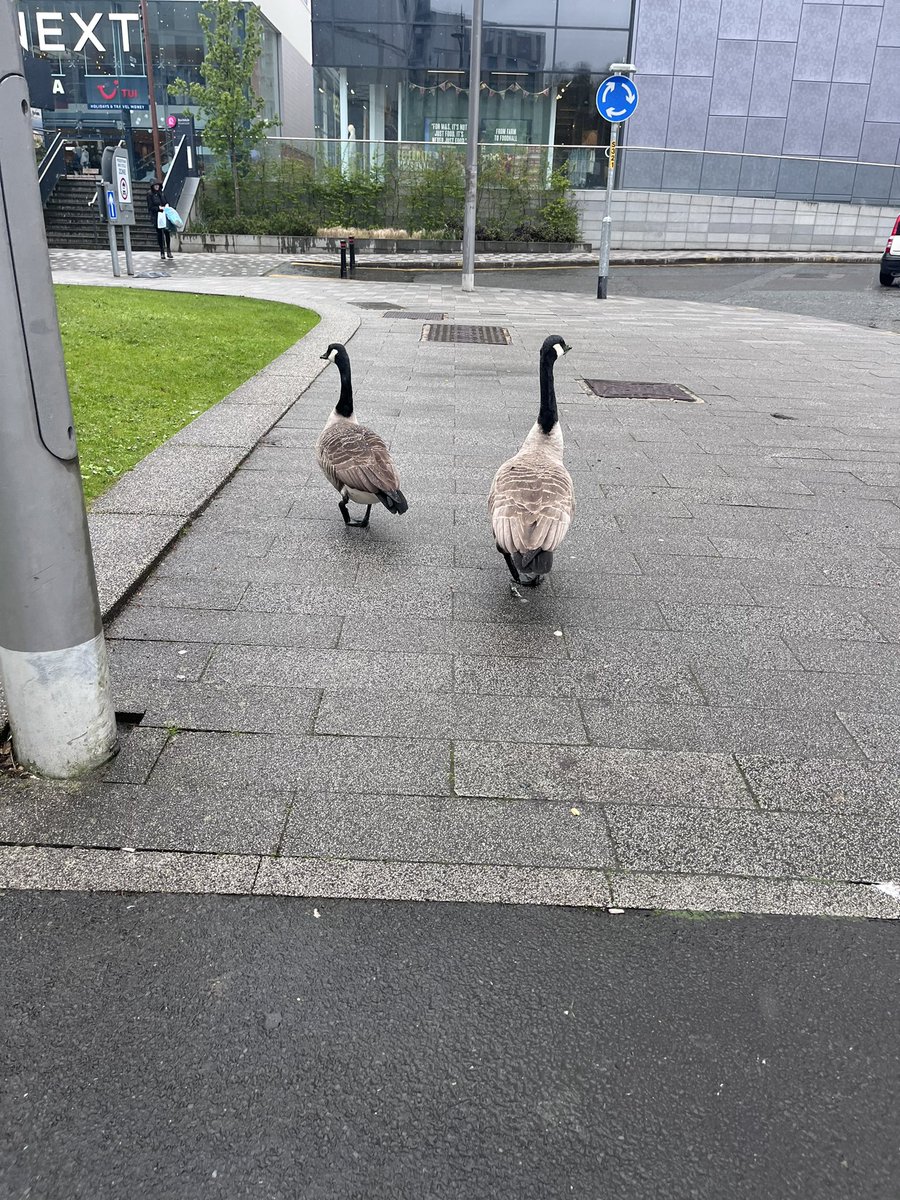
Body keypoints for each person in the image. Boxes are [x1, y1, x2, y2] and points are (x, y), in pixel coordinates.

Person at [147, 180, 173, 261]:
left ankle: (168, 249)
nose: (157, 187)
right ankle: (162, 251)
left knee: (167, 232)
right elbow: (150, 207)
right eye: (155, 186)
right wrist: (158, 208)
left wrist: (166, 207)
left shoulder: (162, 193)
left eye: (157, 185)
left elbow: (166, 202)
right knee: (159, 234)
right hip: (156, 216)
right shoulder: (150, 194)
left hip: (164, 215)